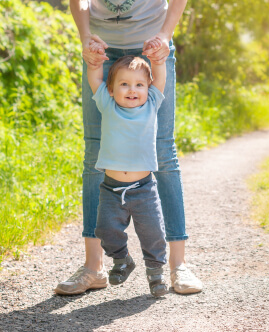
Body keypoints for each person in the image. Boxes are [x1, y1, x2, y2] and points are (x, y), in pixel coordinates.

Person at [54, 0, 202, 295]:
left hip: (152, 47)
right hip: (101, 49)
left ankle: (178, 264)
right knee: (95, 153)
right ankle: (93, 267)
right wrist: (85, 38)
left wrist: (165, 34)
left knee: (163, 151)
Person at [91, 43, 168, 296]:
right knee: (105, 229)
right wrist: (94, 62)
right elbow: (95, 78)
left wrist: (157, 56)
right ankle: (122, 259)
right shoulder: (107, 104)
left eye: (139, 85)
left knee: (152, 233)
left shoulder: (151, 105)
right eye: (124, 84)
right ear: (111, 90)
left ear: (148, 88)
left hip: (144, 188)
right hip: (111, 189)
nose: (132, 90)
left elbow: (161, 75)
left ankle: (156, 273)